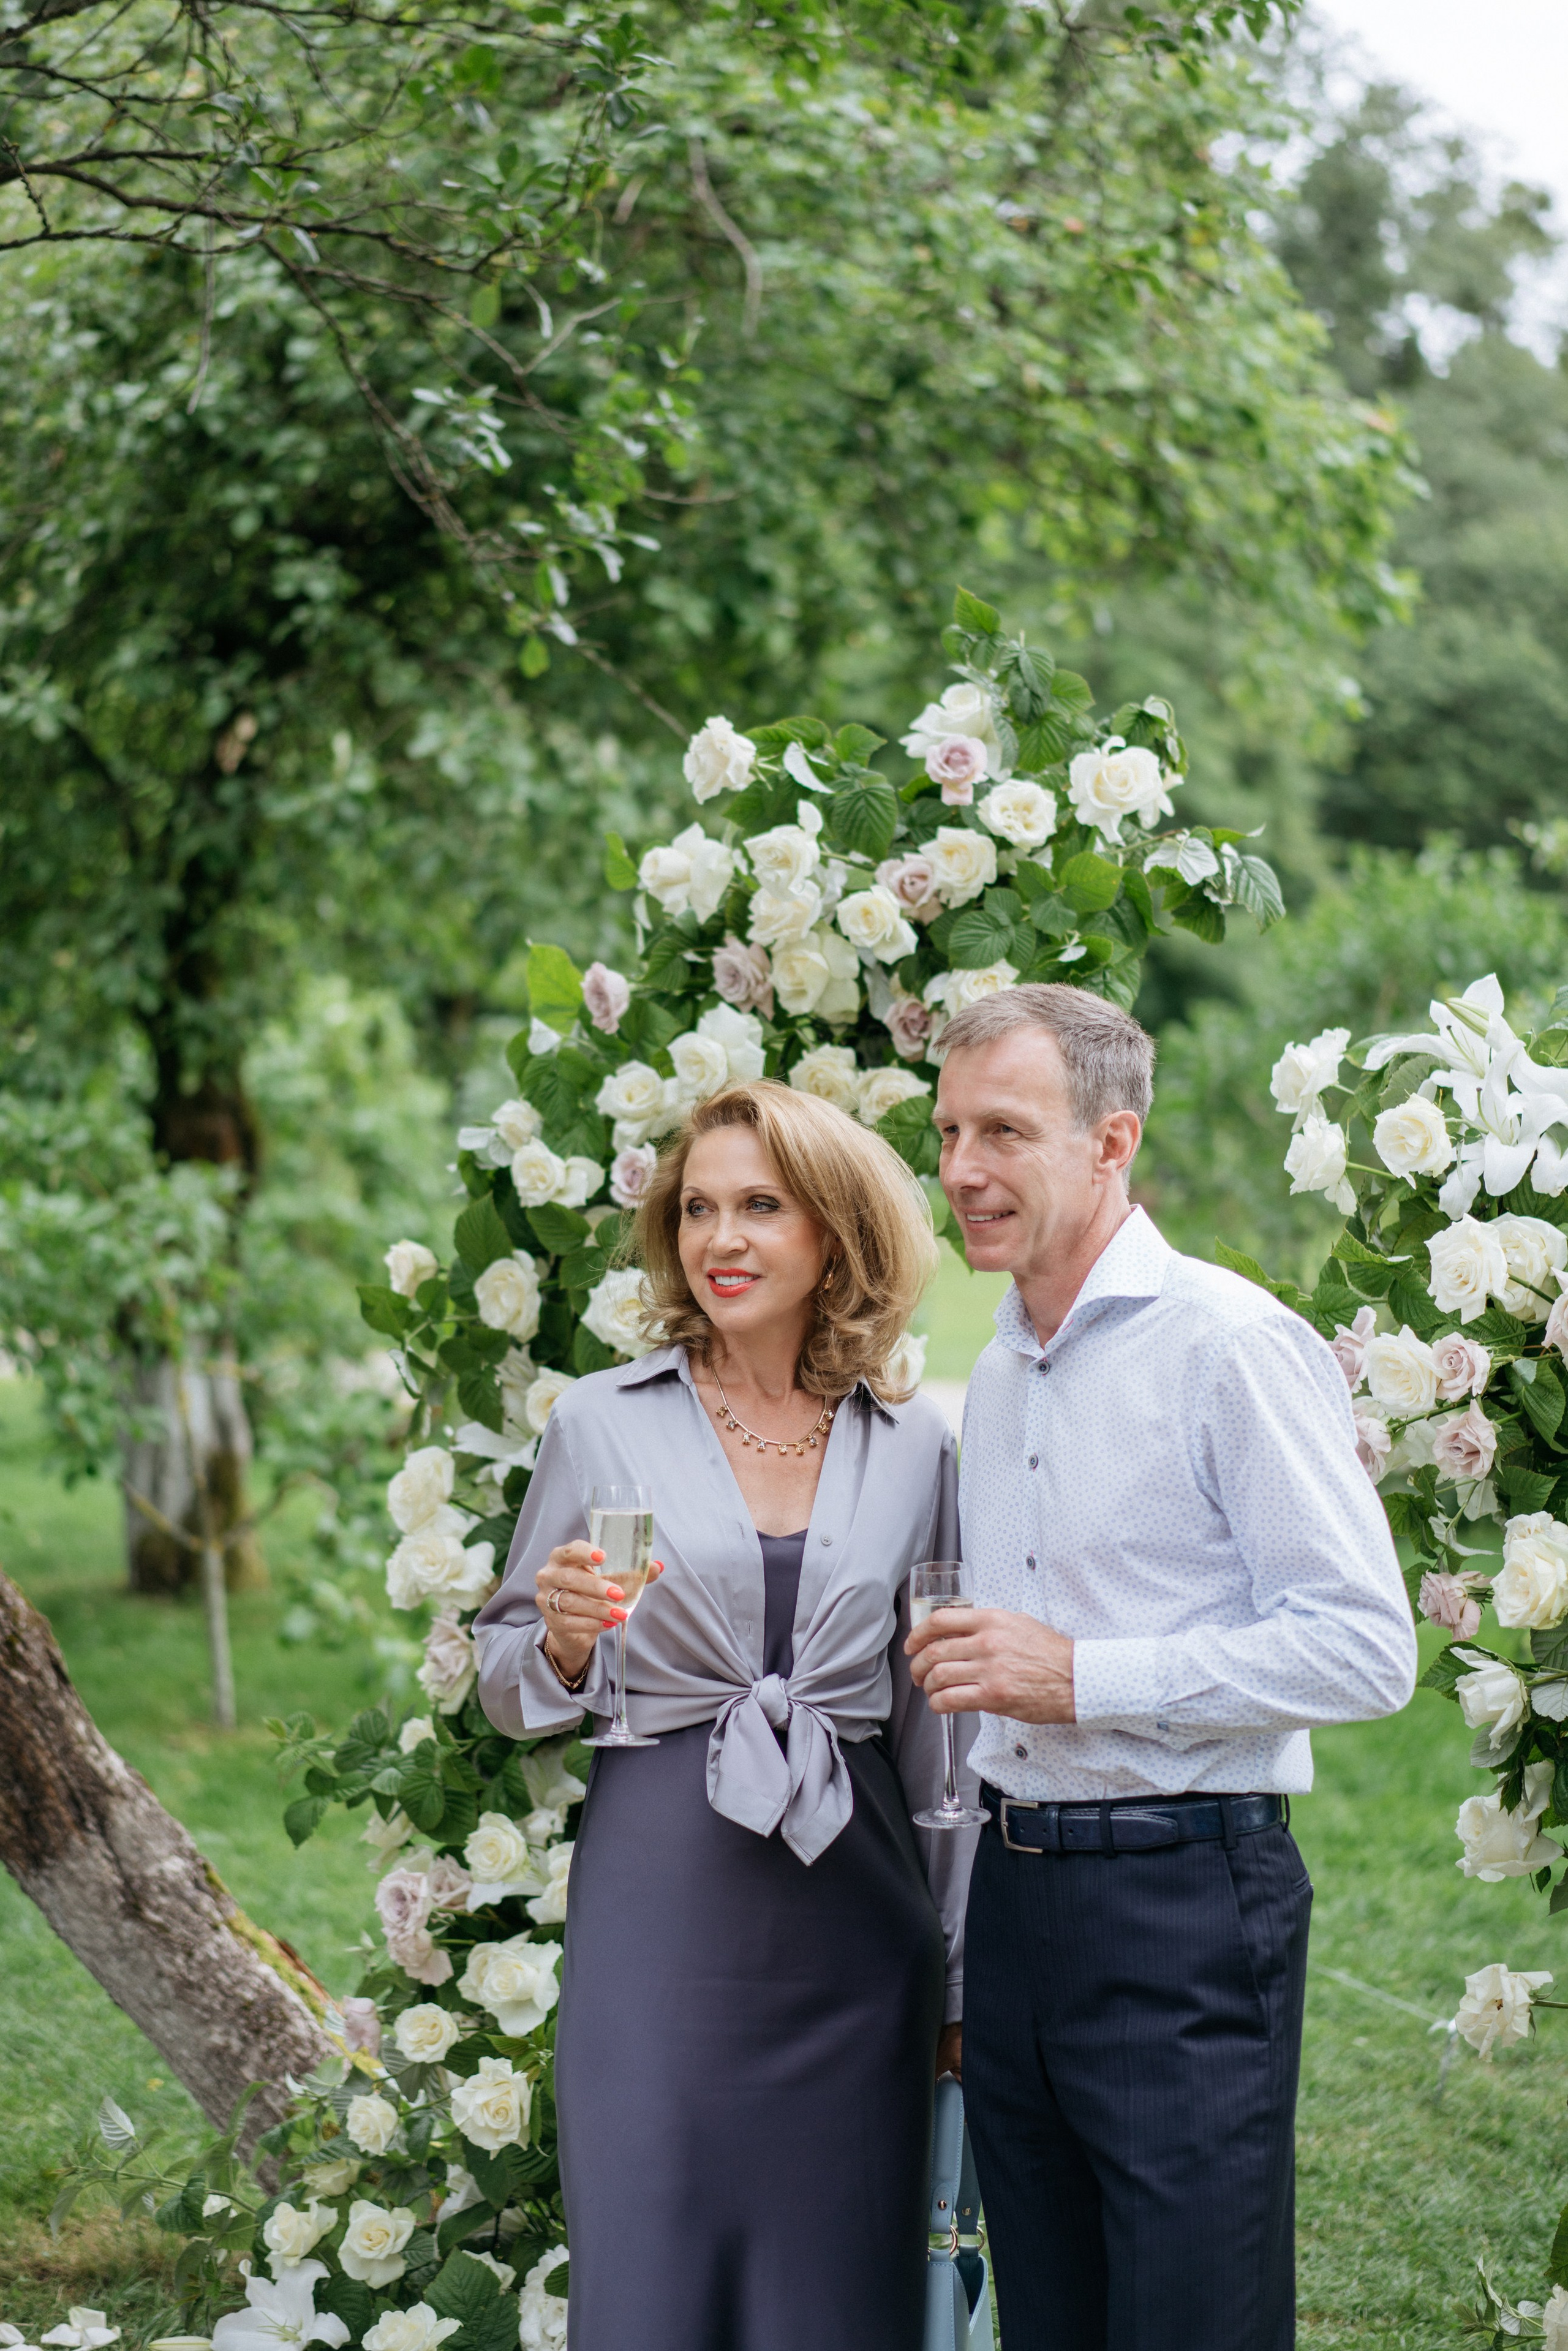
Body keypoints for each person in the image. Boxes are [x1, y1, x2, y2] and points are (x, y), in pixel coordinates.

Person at [905, 984, 1417, 2351]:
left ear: (1109, 1138)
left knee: (1193, 2318)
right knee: (1050, 2318)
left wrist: (1082, 1676)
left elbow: (1367, 1646)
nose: (961, 1167)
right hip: (1015, 1904)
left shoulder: (1229, 1345)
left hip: (1184, 1904)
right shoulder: (1001, 1364)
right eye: (949, 1128)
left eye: (1003, 1130)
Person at [475, 1079, 978, 2351]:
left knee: (838, 2294)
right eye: (697, 1207)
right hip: (662, 1911)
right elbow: (503, 1670)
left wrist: (957, 1967)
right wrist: (569, 1643)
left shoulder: (915, 1444)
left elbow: (940, 1738)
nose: (721, 1238)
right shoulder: (600, 1421)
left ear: (836, 1232)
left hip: (856, 1935)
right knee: (650, 2275)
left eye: (761, 1204)